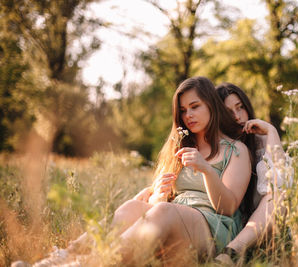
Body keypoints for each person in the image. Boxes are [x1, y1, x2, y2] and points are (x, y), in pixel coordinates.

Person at [12, 77, 253, 267]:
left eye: (194, 106)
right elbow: (162, 202)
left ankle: (86, 264)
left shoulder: (236, 150)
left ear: (211, 104)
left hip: (212, 227)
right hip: (174, 218)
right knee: (132, 206)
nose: (187, 115)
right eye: (182, 110)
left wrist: (206, 169)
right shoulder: (181, 146)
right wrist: (159, 194)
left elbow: (228, 206)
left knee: (165, 211)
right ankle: (59, 258)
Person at [214, 82, 293, 264]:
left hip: (267, 228)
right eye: (228, 112)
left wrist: (271, 132)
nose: (236, 116)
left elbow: (281, 182)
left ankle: (231, 253)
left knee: (278, 197)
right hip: (230, 226)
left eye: (240, 108)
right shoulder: (217, 147)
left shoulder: (262, 140)